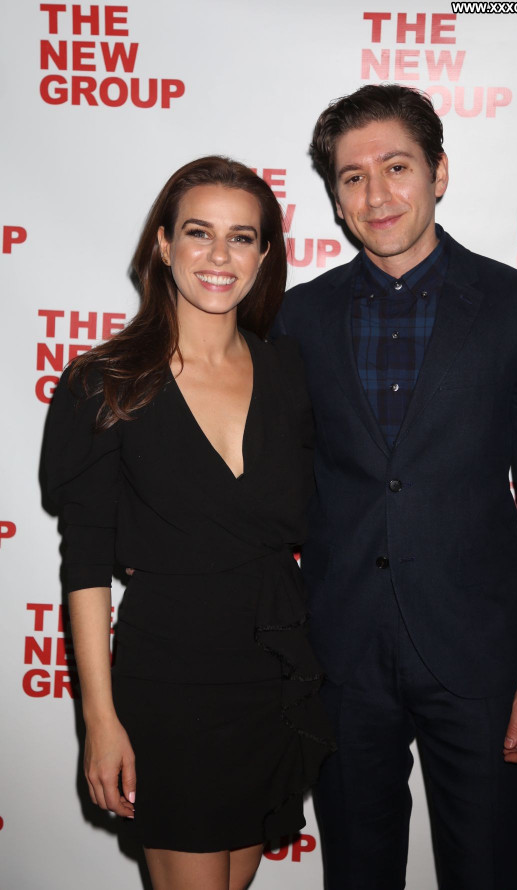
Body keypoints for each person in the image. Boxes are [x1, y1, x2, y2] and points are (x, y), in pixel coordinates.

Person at [272, 85, 517, 890]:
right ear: (335, 198)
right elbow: (270, 482)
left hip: (481, 660)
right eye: (352, 177)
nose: (376, 194)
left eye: (397, 167)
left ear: (439, 172)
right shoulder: (297, 319)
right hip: (341, 657)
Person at [44, 156, 333, 890]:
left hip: (272, 678)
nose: (219, 256)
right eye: (199, 233)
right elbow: (85, 565)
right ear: (164, 244)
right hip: (170, 684)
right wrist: (100, 719)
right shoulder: (105, 382)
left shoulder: (290, 373)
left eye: (242, 237)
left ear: (264, 255)